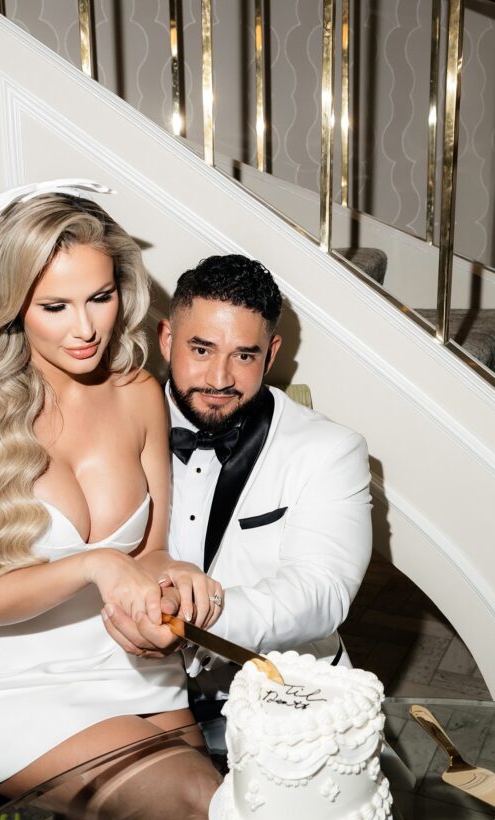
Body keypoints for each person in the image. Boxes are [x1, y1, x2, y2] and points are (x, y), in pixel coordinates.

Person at [0, 183, 232, 817]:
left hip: (123, 655)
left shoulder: (139, 390)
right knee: (193, 803)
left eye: (100, 297)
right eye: (55, 306)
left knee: (225, 818)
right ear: (13, 305)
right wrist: (93, 564)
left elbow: (147, 551)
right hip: (0, 672)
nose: (87, 328)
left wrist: (172, 576)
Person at [102, 254, 373, 748]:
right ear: (166, 339)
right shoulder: (105, 426)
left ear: (271, 355)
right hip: (130, 692)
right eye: (201, 350)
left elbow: (322, 591)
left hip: (285, 694)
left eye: (244, 356)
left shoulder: (331, 450)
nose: (220, 378)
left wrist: (189, 620)